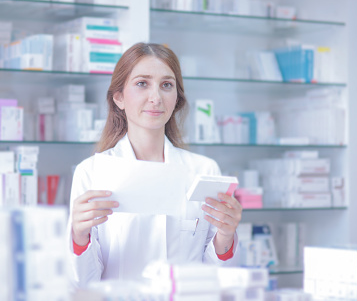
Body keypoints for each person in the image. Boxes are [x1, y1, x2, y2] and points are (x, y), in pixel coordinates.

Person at [67, 42, 243, 288]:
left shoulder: (203, 171)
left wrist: (226, 236)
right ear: (119, 97)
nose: (156, 97)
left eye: (167, 85)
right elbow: (83, 283)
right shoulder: (93, 172)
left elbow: (217, 280)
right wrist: (78, 236)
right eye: (142, 83)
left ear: (176, 99)